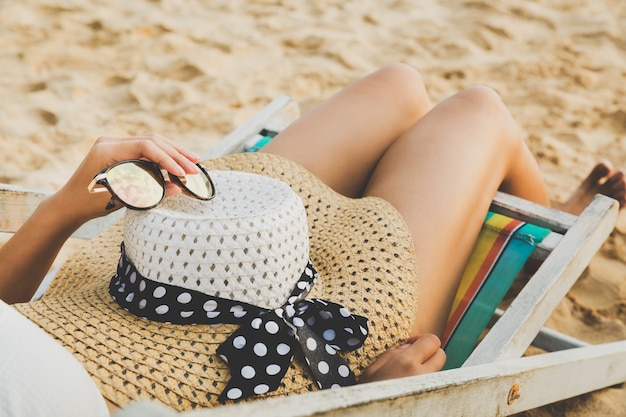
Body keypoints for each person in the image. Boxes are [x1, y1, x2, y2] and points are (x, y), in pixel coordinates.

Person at [0, 63, 624, 415]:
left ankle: (505, 224)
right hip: (287, 366)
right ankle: (523, 238)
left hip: (135, 284)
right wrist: (374, 405)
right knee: (478, 110)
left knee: (400, 86)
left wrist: (60, 211)